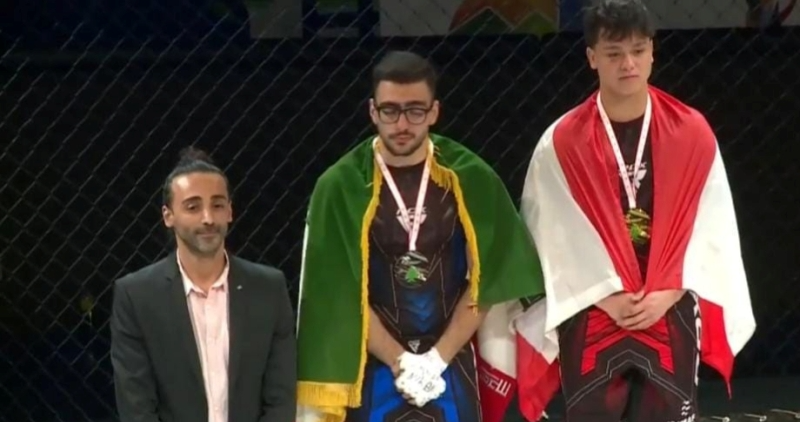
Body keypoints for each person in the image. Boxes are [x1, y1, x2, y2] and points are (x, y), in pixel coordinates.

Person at [515, 1, 756, 422]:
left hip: (668, 303)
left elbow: (712, 224)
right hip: (594, 307)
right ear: (592, 57)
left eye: (638, 50)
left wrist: (672, 289)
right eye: (614, 53)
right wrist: (602, 293)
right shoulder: (562, 141)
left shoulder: (691, 131)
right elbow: (548, 233)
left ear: (652, 53)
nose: (628, 64)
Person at [294, 50, 545, 422]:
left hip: (450, 362)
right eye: (390, 110)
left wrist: (436, 359)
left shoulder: (471, 177)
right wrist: (400, 362)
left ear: (434, 112)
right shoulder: (339, 187)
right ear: (372, 111)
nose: (401, 124)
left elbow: (488, 281)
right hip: (374, 364)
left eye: (414, 110)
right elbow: (339, 294)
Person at [109, 147, 296, 422]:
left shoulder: (269, 289)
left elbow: (281, 400)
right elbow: (137, 408)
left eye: (217, 205)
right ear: (168, 216)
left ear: (230, 211)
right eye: (193, 207)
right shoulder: (136, 296)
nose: (208, 218)